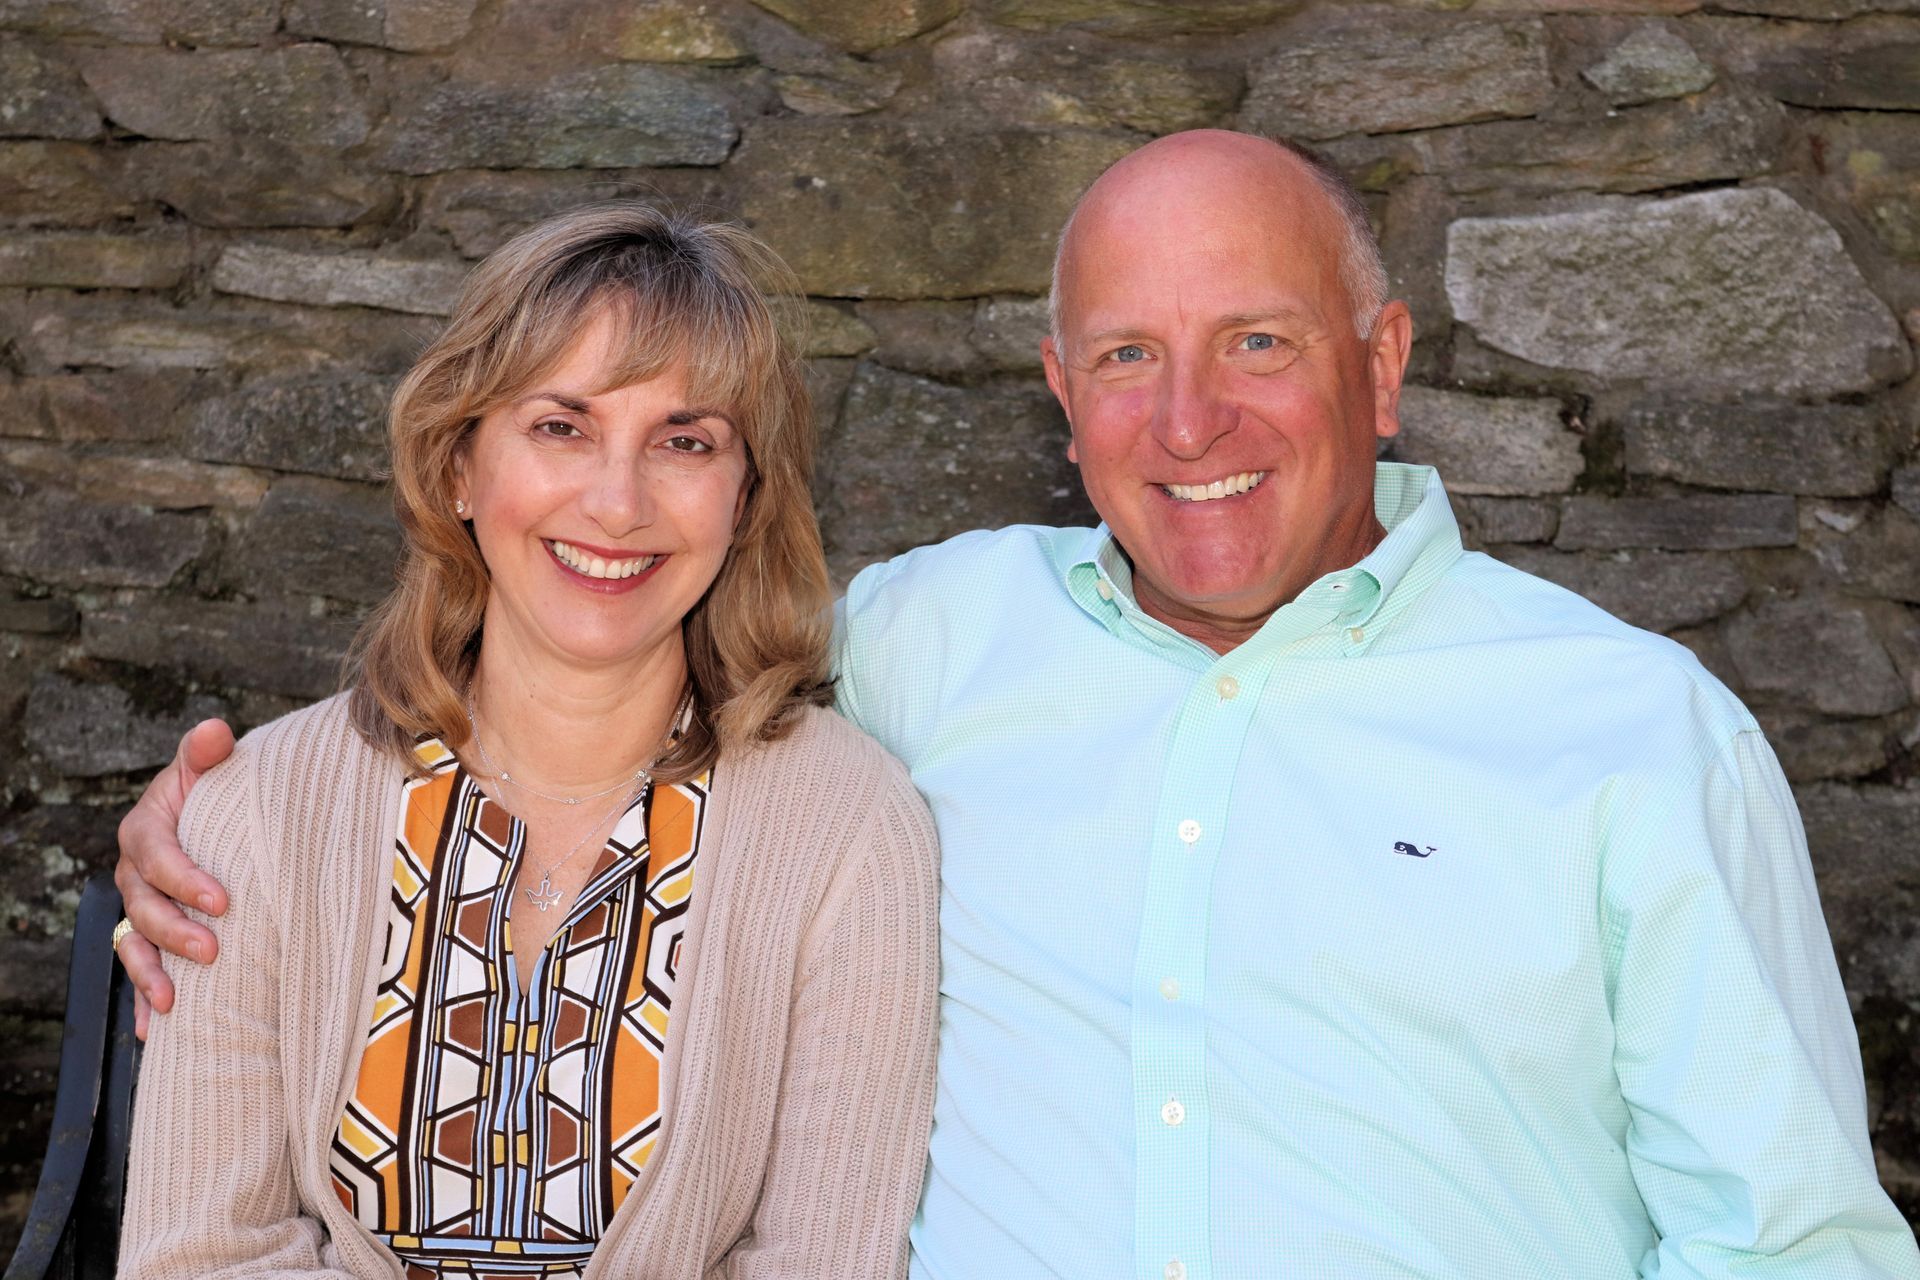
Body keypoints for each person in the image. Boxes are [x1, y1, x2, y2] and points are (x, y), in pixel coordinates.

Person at [114, 131, 1920, 1278]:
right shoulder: (927, 643)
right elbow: (591, 650)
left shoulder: (1634, 733)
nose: (1190, 423)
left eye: (1259, 342)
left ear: (1383, 365)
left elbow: (1794, 1249)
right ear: (1062, 392)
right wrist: (206, 828)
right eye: (1130, 357)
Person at [114, 203, 939, 1279]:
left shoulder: (847, 830)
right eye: (562, 427)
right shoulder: (263, 811)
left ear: (744, 500)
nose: (618, 502)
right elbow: (195, 1257)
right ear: (458, 465)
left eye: (685, 442)